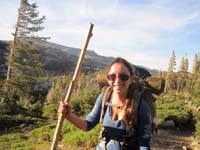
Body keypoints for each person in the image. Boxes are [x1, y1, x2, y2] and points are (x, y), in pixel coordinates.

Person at [59, 57, 152, 150]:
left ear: (131, 79)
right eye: (112, 76)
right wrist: (69, 115)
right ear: (108, 79)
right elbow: (87, 125)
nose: (117, 81)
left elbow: (144, 143)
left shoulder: (141, 106)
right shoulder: (104, 98)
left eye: (123, 77)